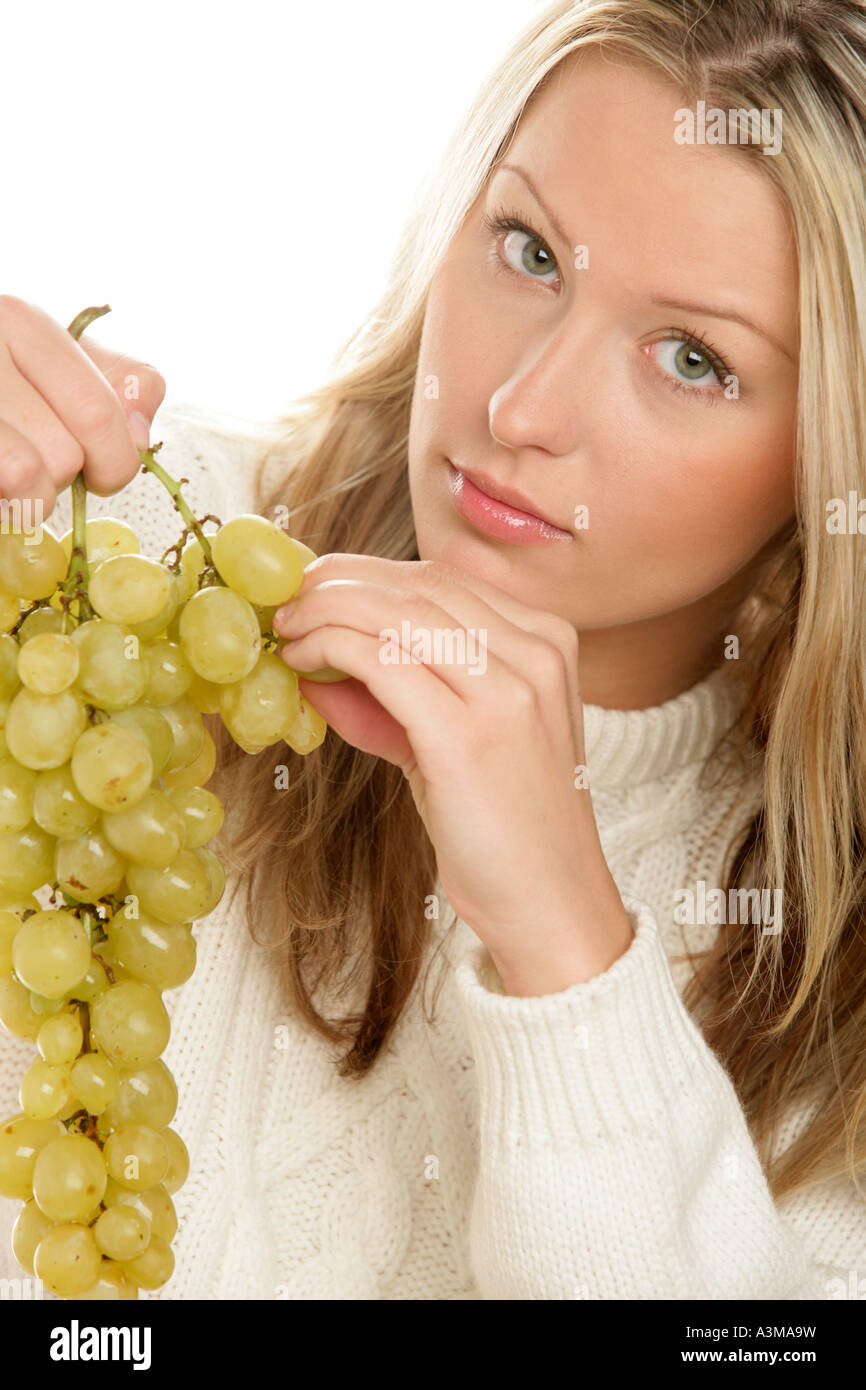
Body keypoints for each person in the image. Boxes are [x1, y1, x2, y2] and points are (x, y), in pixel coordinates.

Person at [1, 0, 866, 1300]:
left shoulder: (826, 977)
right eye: (529, 251)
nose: (520, 410)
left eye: (691, 358)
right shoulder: (100, 568)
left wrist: (569, 947)